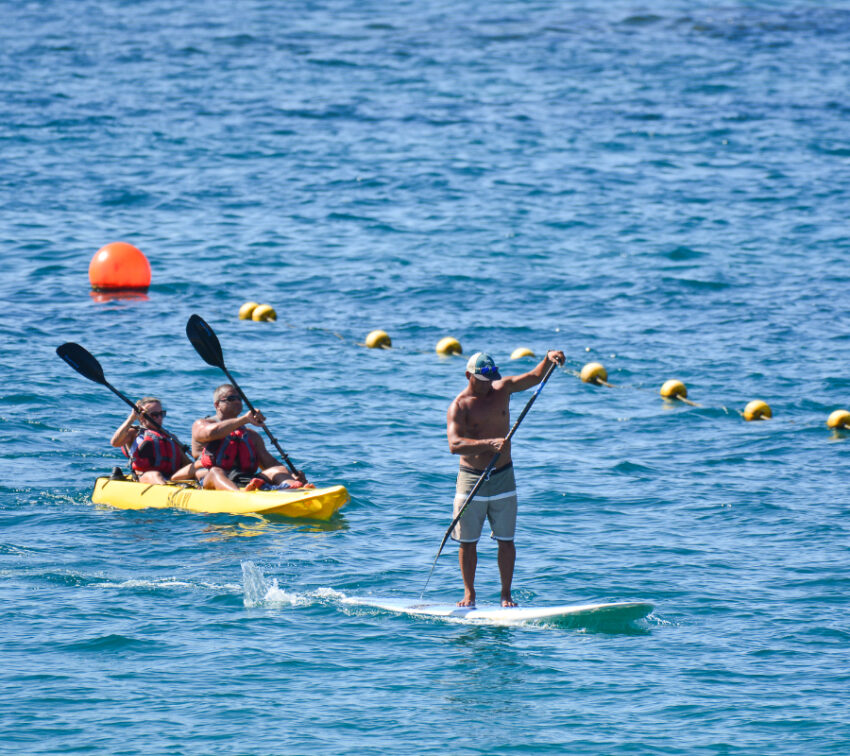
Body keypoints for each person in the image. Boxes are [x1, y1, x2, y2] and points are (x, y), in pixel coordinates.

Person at [446, 349, 565, 607]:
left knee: (506, 540)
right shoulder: (459, 405)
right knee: (468, 542)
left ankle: (505, 594)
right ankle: (469, 594)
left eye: (492, 379)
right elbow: (454, 445)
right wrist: (488, 444)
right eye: (483, 380)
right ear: (469, 376)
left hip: (503, 476)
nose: (490, 385)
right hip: (471, 478)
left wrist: (548, 358)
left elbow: (535, 376)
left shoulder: (504, 388)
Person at [191, 384, 310, 491]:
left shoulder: (251, 436)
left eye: (239, 399)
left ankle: (296, 489)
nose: (237, 402)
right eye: (231, 399)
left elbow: (270, 463)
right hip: (210, 479)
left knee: (280, 470)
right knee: (216, 472)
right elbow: (211, 433)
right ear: (217, 405)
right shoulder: (201, 425)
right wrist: (244, 419)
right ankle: (239, 497)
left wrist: (291, 475)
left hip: (246, 480)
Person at [110, 397, 194, 484]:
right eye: (154, 415)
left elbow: (186, 463)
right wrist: (132, 418)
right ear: (142, 417)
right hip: (146, 476)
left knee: (199, 468)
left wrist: (198, 467)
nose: (159, 418)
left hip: (172, 477)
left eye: (161, 414)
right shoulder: (134, 433)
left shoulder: (170, 437)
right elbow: (115, 442)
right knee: (155, 475)